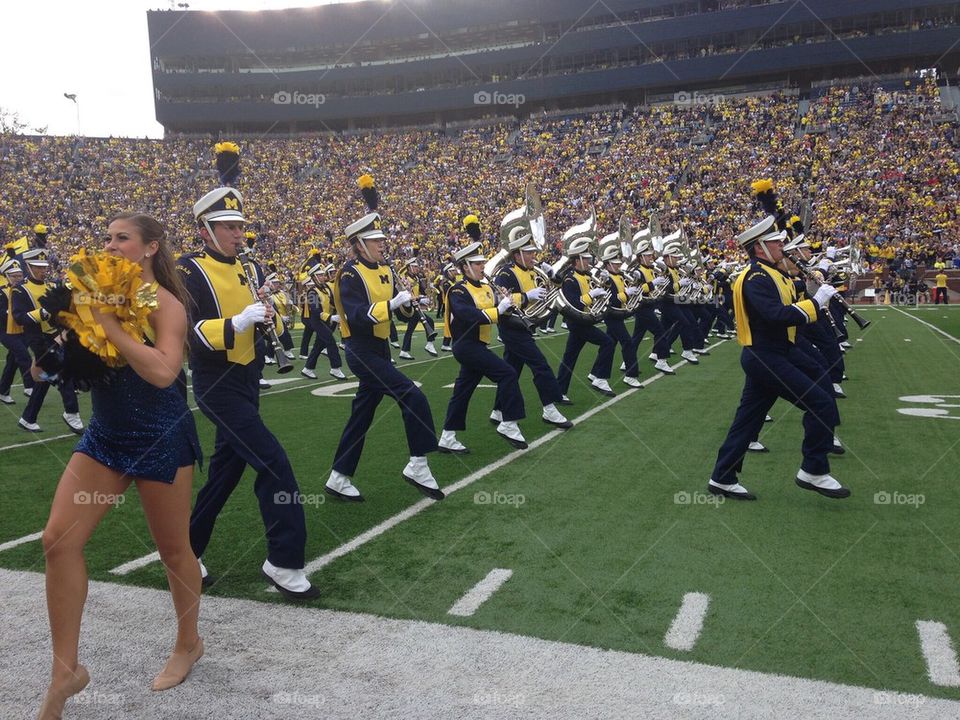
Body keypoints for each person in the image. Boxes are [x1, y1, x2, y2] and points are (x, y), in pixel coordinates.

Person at [38, 212, 204, 720]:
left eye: (122, 238)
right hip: (105, 434)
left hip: (160, 436)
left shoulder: (166, 303)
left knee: (174, 552)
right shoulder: (94, 293)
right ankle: (65, 670)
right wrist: (64, 339)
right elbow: (65, 366)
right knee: (57, 540)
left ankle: (188, 643)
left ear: (151, 247)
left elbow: (163, 371)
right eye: (107, 238)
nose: (110, 246)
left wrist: (108, 323)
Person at [178, 185, 320, 601]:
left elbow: (259, 326)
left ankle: (185, 549)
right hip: (216, 382)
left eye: (241, 226)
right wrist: (237, 322)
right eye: (229, 227)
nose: (239, 234)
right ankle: (284, 560)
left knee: (226, 471)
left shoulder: (250, 269)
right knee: (274, 463)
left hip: (246, 378)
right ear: (205, 230)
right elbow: (190, 330)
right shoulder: (187, 269)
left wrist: (267, 321)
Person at [708, 216, 849, 501]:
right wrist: (816, 302)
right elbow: (775, 316)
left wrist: (809, 293)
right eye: (776, 242)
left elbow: (787, 304)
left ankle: (722, 477)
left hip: (777, 352)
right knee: (820, 401)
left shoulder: (772, 273)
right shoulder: (756, 277)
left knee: (748, 421)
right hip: (766, 354)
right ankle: (813, 468)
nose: (782, 246)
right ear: (759, 247)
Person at [324, 211, 444, 502]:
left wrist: (411, 305)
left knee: (362, 415)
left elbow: (399, 313)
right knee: (412, 395)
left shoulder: (386, 269)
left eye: (381, 239)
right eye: (376, 240)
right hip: (360, 349)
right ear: (360, 244)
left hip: (379, 348)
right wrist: (391, 304)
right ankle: (418, 464)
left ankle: (338, 477)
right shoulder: (349, 274)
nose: (382, 245)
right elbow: (354, 315)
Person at [439, 240, 528, 453]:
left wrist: (511, 301)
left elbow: (499, 307)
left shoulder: (487, 287)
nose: (482, 267)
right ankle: (509, 422)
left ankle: (447, 436)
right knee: (507, 373)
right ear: (466, 266)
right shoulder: (457, 290)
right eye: (478, 263)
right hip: (466, 345)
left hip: (478, 345)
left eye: (482, 262)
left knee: (462, 391)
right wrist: (499, 310)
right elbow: (468, 315)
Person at [490, 209, 572, 426]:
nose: (534, 256)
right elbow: (500, 300)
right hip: (512, 327)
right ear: (517, 254)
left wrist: (551, 272)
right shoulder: (506, 273)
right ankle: (549, 408)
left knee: (512, 370)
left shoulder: (535, 271)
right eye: (529, 253)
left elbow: (557, 285)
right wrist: (527, 296)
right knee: (541, 366)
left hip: (525, 326)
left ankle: (498, 410)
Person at [12, 248, 83, 434]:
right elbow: (19, 317)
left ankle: (28, 418)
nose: (42, 270)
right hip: (36, 338)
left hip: (54, 335)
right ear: (28, 267)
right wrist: (42, 313)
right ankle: (71, 411)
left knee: (45, 378)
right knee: (61, 371)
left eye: (44, 267)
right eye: (37, 267)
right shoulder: (20, 290)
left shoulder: (52, 285)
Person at [555, 217, 616, 399]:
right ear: (577, 260)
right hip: (577, 322)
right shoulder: (570, 278)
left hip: (584, 321)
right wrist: (594, 294)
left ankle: (560, 391)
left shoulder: (588, 276)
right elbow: (575, 302)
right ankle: (599, 377)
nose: (589, 262)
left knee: (569, 357)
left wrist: (604, 287)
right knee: (608, 342)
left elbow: (600, 295)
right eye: (586, 259)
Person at [596, 232, 642, 388]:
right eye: (615, 263)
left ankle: (595, 372)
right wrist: (627, 294)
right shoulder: (606, 277)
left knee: (610, 342)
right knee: (627, 343)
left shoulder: (620, 275)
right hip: (612, 315)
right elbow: (612, 299)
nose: (618, 265)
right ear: (607, 264)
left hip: (619, 314)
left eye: (618, 263)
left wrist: (633, 289)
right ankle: (631, 374)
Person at [300, 263, 346, 380]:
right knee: (331, 342)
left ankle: (308, 368)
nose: (322, 277)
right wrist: (330, 317)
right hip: (318, 321)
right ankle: (335, 368)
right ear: (314, 277)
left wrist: (340, 311)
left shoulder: (326, 288)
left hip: (326, 320)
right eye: (319, 275)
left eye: (322, 275)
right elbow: (315, 310)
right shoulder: (312, 292)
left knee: (318, 346)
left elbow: (332, 302)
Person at [0, 258, 36, 404]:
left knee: (13, 361)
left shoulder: (23, 291)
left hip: (22, 329)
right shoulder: (2, 292)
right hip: (4, 330)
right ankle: (30, 386)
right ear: (7, 276)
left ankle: (3, 391)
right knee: (23, 355)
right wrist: (13, 313)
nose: (17, 278)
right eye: (14, 276)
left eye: (19, 275)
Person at [397, 257, 438, 359]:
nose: (417, 269)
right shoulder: (405, 279)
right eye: (414, 267)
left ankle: (404, 351)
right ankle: (429, 344)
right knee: (429, 321)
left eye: (417, 267)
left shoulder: (417, 278)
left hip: (416, 305)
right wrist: (421, 299)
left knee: (411, 328)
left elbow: (423, 290)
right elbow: (406, 294)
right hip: (409, 307)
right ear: (409, 268)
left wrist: (429, 290)